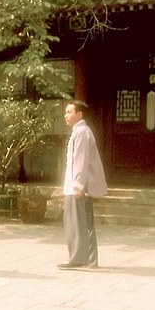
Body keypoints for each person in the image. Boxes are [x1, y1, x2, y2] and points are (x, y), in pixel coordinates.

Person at [59, 100, 107, 269]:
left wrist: (78, 185)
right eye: (66, 112)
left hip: (79, 187)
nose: (66, 115)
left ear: (79, 114)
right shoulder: (80, 132)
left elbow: (81, 160)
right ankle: (88, 259)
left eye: (69, 112)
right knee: (83, 223)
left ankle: (79, 258)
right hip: (77, 185)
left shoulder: (82, 132)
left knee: (77, 223)